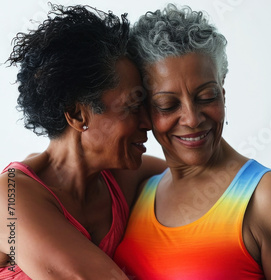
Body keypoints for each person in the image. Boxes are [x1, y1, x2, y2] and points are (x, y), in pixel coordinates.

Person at [114, 4, 271, 279]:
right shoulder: (140, 190)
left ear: (223, 91)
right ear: (143, 108)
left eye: (207, 96)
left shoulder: (267, 197)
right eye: (167, 104)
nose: (192, 118)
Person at [0, 4, 166, 279]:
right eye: (132, 107)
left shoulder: (126, 179)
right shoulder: (10, 197)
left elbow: (206, 178)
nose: (148, 122)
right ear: (78, 114)